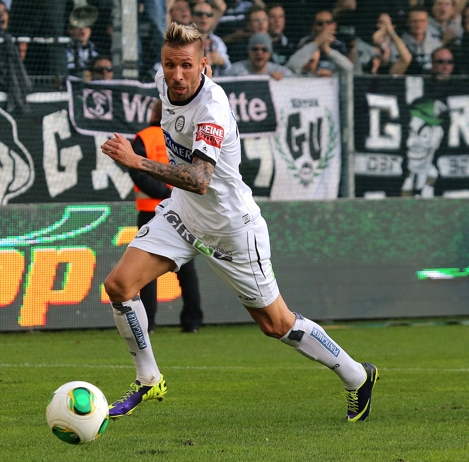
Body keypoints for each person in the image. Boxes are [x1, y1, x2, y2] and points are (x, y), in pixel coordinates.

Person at [100, 22, 378, 422]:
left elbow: (199, 180)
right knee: (120, 285)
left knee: (275, 323)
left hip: (232, 229)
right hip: (182, 215)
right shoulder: (165, 83)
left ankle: (356, 376)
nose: (176, 75)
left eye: (185, 66)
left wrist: (135, 160)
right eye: (169, 65)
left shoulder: (212, 109)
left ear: (204, 66)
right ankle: (148, 379)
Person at [129, 99, 204, 334]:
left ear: (153, 112)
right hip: (181, 208)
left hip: (150, 209)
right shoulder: (182, 136)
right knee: (186, 267)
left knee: (146, 270)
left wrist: (162, 192)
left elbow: (138, 173)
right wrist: (173, 193)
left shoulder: (142, 137)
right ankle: (192, 322)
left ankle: (148, 324)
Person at [396, 6, 443, 75]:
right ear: (408, 22)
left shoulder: (437, 45)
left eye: (422, 21)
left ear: (427, 22)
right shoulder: (397, 46)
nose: (418, 24)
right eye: (415, 21)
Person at [228, 32, 293, 79]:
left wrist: (283, 80)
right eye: (255, 49)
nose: (259, 53)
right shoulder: (236, 71)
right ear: (249, 52)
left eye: (264, 50)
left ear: (269, 53)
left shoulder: (281, 72)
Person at [193, 0, 231, 77]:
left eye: (208, 15)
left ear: (212, 19)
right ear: (192, 17)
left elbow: (229, 69)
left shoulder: (217, 41)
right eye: (199, 14)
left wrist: (221, 61)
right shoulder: (182, 40)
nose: (204, 17)